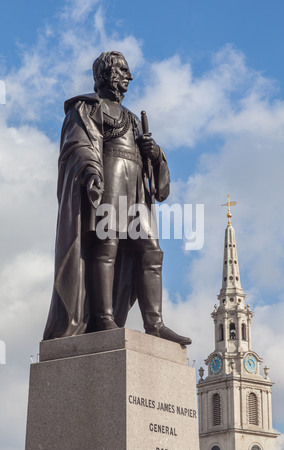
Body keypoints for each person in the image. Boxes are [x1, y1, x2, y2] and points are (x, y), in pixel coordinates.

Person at [43, 51, 191, 346]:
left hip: (136, 188)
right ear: (105, 74)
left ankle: (155, 323)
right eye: (122, 70)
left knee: (151, 249)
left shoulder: (134, 120)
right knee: (106, 245)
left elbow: (155, 172)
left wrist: (155, 153)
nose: (128, 77)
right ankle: (104, 317)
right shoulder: (87, 107)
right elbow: (78, 144)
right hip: (109, 178)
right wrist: (90, 171)